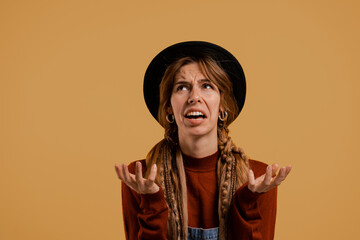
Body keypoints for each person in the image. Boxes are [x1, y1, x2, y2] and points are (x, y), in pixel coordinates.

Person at [115, 41, 292, 240]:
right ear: (168, 108)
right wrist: (151, 202)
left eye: (206, 86)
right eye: (182, 88)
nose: (194, 97)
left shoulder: (259, 178)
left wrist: (248, 201)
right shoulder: (139, 176)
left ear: (223, 106)